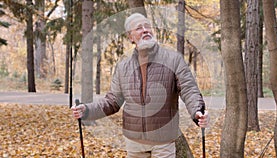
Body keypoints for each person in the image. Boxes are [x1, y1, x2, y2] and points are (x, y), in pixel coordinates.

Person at [72, 13, 209, 158]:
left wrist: (197, 110)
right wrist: (86, 110)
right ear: (130, 37)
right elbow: (112, 101)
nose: (145, 30)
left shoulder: (173, 60)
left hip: (163, 141)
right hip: (134, 142)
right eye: (139, 28)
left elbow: (189, 89)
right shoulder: (123, 67)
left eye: (147, 26)